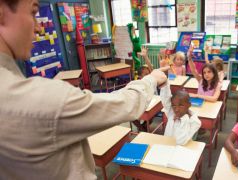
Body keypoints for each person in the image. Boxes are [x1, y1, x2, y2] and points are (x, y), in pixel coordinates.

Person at [0, 0, 167, 179]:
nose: (39, 28)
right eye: (33, 13)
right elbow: (124, 104)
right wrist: (151, 79)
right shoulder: (37, 98)